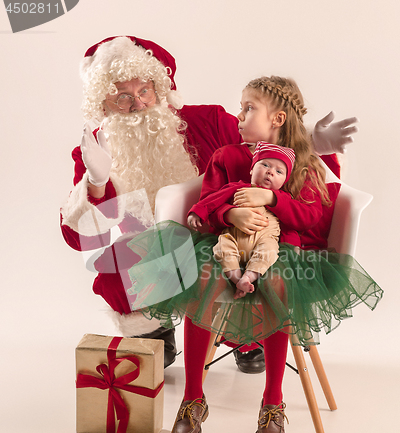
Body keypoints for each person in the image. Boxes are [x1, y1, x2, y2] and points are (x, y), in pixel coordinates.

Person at [60, 35, 359, 372]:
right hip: (157, 248)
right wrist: (97, 182)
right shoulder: (93, 150)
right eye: (123, 98)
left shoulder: (209, 121)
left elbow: (267, 148)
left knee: (237, 259)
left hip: (222, 232)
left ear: (160, 88)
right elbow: (81, 239)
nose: (139, 104)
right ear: (103, 104)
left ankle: (246, 336)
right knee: (114, 269)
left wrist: (311, 143)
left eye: (144, 91)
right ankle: (156, 330)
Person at [169, 75, 382, 433]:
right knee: (200, 281)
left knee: (279, 284)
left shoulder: (303, 165)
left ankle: (272, 401)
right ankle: (193, 398)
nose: (239, 115)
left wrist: (271, 199)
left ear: (278, 119)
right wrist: (229, 215)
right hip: (226, 244)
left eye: (248, 107)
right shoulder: (227, 157)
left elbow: (312, 218)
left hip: (281, 250)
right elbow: (207, 201)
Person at [188, 142, 297, 298]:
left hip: (264, 240)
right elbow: (212, 200)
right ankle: (237, 278)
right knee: (222, 248)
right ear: (252, 169)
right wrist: (197, 212)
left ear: (284, 181)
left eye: (279, 171)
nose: (270, 172)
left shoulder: (281, 199)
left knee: (270, 251)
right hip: (233, 237)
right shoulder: (236, 187)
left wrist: (294, 246)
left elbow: (289, 225)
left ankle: (248, 277)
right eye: (265, 164)